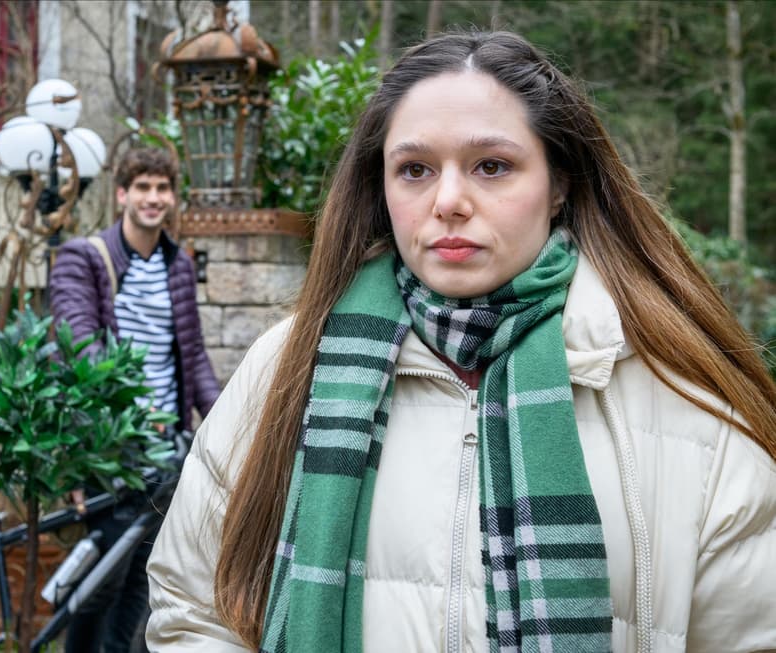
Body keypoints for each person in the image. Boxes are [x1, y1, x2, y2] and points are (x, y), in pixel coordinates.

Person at [145, 31, 776, 653]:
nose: (448, 200)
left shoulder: (685, 401)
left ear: (559, 185)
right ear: (380, 185)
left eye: (492, 166)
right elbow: (191, 613)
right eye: (414, 169)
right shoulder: (285, 368)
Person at [50, 146, 220, 653]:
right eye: (142, 187)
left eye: (162, 188)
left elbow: (193, 356)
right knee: (99, 587)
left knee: (146, 587)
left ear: (171, 197)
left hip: (166, 453)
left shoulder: (179, 265)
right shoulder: (87, 259)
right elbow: (81, 352)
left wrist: (229, 422)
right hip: (112, 449)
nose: (153, 198)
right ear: (121, 194)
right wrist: (116, 425)